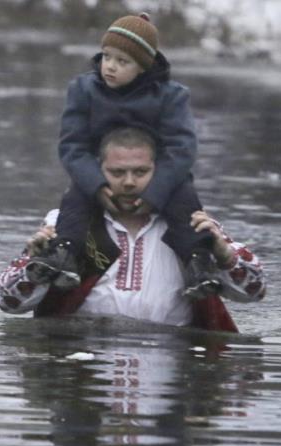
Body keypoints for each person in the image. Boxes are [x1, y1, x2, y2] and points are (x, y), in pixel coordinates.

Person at [27, 12, 220, 299]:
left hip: (159, 175)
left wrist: (156, 192)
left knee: (185, 202)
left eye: (122, 61)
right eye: (107, 56)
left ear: (144, 67)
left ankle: (198, 263)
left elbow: (182, 149)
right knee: (75, 200)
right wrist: (96, 184)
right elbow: (72, 146)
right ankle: (64, 255)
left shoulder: (170, 95)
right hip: (99, 172)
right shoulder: (83, 90)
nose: (110, 67)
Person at [0, 127, 265, 332]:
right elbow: (8, 303)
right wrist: (34, 265)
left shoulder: (191, 225)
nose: (128, 183)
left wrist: (225, 256)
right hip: (78, 367)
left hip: (175, 366)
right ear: (96, 172)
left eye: (140, 172)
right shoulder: (65, 225)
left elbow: (256, 292)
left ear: (158, 172)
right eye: (117, 173)